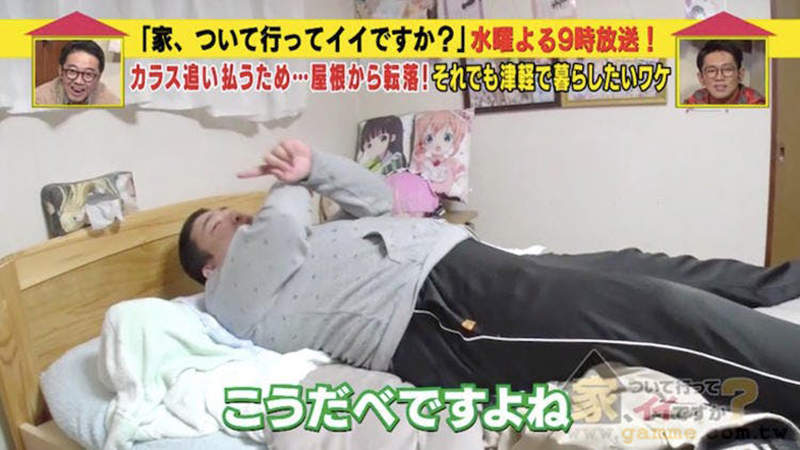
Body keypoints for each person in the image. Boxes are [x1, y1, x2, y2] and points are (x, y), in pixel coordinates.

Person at [179, 139, 800, 422]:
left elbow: (377, 199)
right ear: (207, 265)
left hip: (470, 263)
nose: (235, 218)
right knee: (654, 312)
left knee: (642, 265)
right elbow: (279, 232)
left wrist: (314, 167)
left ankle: (784, 283)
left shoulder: (307, 234)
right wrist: (286, 184)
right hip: (439, 316)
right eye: (217, 223)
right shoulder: (228, 294)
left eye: (233, 211)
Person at [35, 40, 120, 106]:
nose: (79, 81)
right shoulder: (39, 99)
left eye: (88, 74)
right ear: (60, 71)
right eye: (72, 71)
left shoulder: (111, 103)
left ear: (98, 78)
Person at [684, 40, 765, 105]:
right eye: (711, 71)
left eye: (727, 69)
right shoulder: (695, 101)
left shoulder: (756, 104)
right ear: (701, 78)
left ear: (740, 74)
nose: (719, 77)